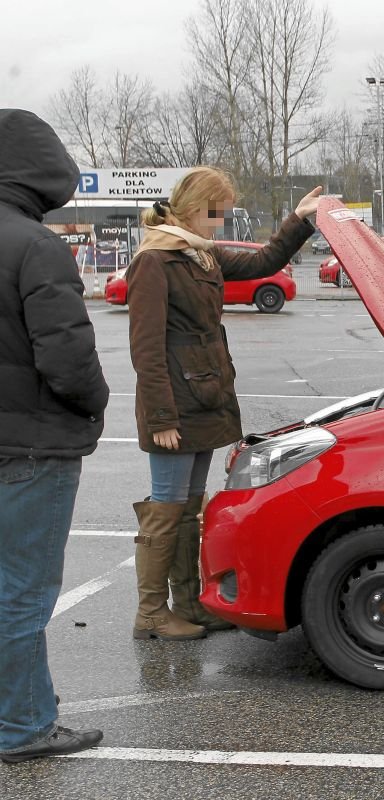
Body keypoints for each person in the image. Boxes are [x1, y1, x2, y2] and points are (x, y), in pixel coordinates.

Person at [126, 167, 320, 641]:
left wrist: (299, 220)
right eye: (219, 211)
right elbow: (146, 348)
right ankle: (151, 613)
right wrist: (160, 417)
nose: (223, 219)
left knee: (189, 508)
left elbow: (264, 263)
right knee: (167, 507)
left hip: (204, 397)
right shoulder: (156, 261)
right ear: (196, 206)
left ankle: (189, 605)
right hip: (175, 405)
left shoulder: (201, 256)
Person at [0, 109, 109, 763]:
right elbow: (68, 361)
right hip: (34, 447)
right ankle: (22, 725)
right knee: (25, 589)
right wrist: (93, 406)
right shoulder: (36, 245)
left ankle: (23, 704)